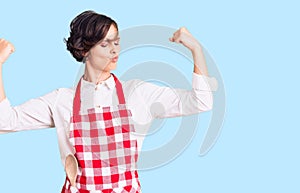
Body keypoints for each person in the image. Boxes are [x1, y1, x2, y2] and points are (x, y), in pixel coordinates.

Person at [0, 10, 217, 193]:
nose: (115, 50)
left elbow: (201, 101)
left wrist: (196, 49)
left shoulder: (137, 94)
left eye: (116, 41)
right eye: (105, 44)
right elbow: (4, 122)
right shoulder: (61, 100)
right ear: (84, 50)